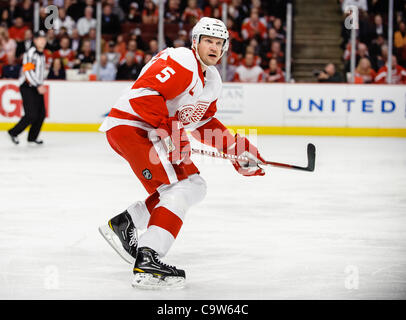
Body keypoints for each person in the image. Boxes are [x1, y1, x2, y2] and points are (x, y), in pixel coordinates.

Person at [98, 17, 266, 289]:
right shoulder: (181, 60)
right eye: (208, 41)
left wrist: (237, 148)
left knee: (194, 186)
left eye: (219, 43)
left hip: (147, 131)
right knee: (181, 188)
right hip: (133, 127)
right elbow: (145, 96)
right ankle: (148, 259)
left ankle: (127, 222)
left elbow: (202, 123)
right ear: (195, 42)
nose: (213, 47)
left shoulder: (211, 79)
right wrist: (171, 131)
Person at [8, 31, 47, 145]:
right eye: (40, 38)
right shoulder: (30, 53)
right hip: (27, 86)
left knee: (41, 114)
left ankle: (32, 137)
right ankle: (13, 132)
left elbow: (39, 72)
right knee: (31, 114)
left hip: (36, 86)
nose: (43, 40)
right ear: (34, 40)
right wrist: (38, 84)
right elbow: (27, 72)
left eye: (44, 38)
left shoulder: (42, 54)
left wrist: (40, 83)